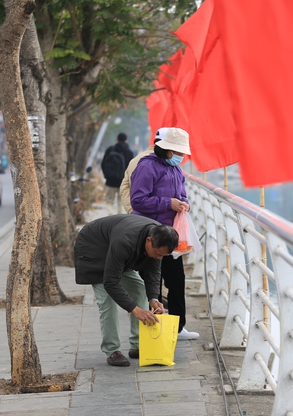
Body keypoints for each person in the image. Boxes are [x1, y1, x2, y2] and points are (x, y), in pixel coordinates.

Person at [74, 214, 178, 367]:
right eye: (157, 254)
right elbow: (110, 282)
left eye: (163, 256)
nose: (158, 258)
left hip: (117, 254)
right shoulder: (124, 241)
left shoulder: (158, 235)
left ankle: (137, 343)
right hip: (94, 250)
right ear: (149, 241)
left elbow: (153, 273)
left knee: (139, 289)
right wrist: (134, 309)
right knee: (107, 301)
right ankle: (112, 350)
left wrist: (154, 298)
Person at [130, 127, 200, 340]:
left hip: (171, 236)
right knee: (152, 283)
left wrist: (183, 203)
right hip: (151, 235)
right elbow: (138, 200)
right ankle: (153, 329)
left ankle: (178, 327)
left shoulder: (176, 170)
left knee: (176, 280)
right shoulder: (147, 167)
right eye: (177, 152)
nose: (180, 157)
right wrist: (167, 203)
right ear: (166, 150)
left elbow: (182, 194)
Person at [119, 127, 169, 214]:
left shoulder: (136, 159)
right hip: (154, 217)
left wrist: (131, 210)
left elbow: (124, 187)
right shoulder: (148, 163)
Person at [101, 133, 134, 214]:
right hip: (123, 182)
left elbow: (103, 163)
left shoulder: (110, 149)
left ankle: (111, 215)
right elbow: (131, 168)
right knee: (121, 203)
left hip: (110, 181)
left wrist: (106, 175)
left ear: (116, 139)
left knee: (109, 201)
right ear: (126, 141)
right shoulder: (129, 152)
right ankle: (120, 221)